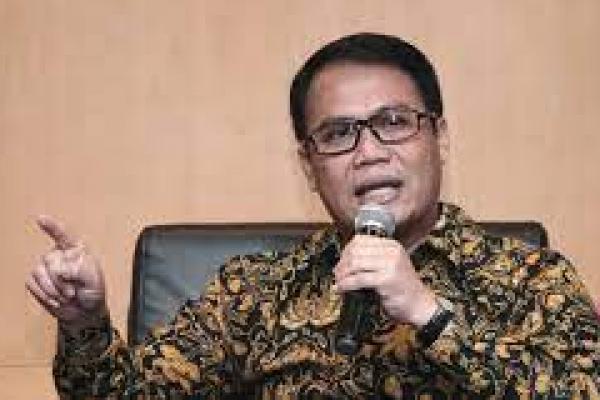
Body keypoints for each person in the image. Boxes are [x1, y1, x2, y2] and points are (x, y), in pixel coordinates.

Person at [26, 33, 599, 399]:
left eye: (394, 122)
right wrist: (84, 321)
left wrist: (429, 314)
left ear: (439, 137)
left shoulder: (533, 279)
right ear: (308, 164)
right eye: (339, 133)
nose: (369, 152)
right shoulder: (253, 293)